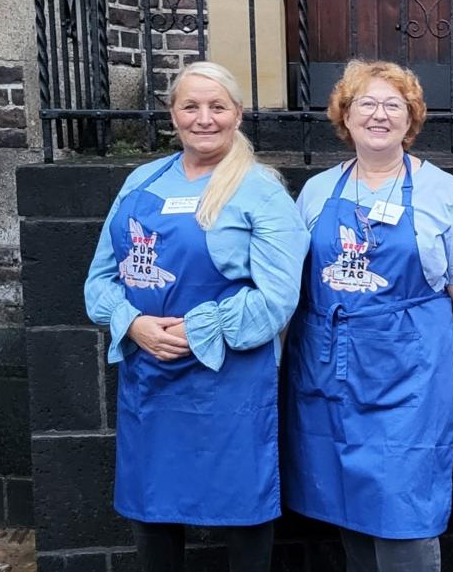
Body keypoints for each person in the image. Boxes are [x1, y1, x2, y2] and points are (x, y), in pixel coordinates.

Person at [83, 61, 309, 572]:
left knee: (241, 508)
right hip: (150, 377)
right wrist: (132, 323)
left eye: (217, 107)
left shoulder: (262, 192)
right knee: (153, 510)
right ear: (173, 114)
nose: (204, 118)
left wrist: (200, 329)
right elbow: (99, 281)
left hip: (229, 381)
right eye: (190, 106)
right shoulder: (142, 181)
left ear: (238, 115)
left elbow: (277, 297)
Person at [282, 59, 453, 572]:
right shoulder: (315, 193)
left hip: (411, 379)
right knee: (346, 503)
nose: (379, 115)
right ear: (346, 117)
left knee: (405, 510)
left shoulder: (442, 192)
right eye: (366, 104)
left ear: (410, 119)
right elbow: (289, 288)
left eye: (392, 105)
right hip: (330, 372)